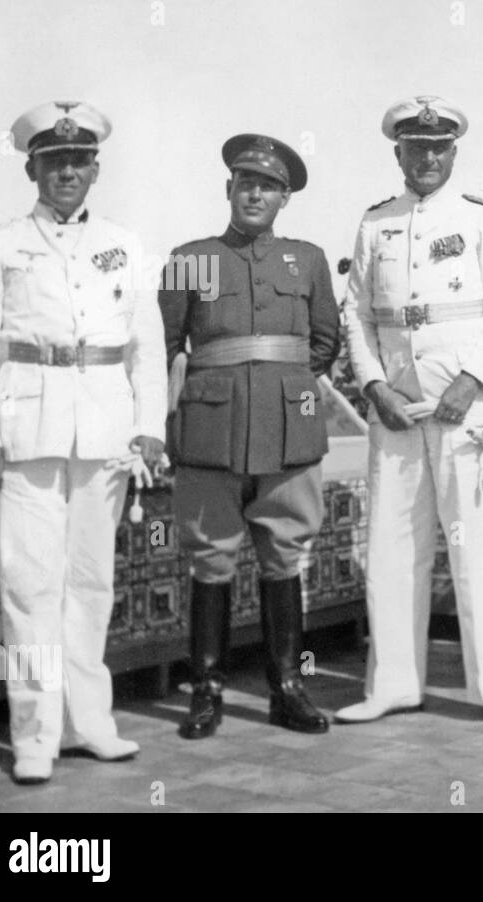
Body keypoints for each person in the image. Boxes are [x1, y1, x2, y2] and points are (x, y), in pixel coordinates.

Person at [0, 101, 166, 784]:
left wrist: (148, 426)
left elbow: (147, 343)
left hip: (103, 432)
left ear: (95, 168)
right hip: (23, 433)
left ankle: (89, 723)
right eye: (54, 161)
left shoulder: (124, 243)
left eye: (78, 161)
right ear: (32, 168)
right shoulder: (1, 243)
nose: (67, 171)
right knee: (28, 586)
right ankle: (35, 733)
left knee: (91, 582)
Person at [337, 96, 483, 730]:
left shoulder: (478, 219)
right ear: (398, 153)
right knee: (393, 548)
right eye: (416, 148)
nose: (427, 158)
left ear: (454, 152)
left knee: (476, 549)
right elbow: (357, 316)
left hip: (463, 409)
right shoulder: (376, 223)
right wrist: (371, 386)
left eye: (439, 148)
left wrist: (473, 381)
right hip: (396, 410)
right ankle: (394, 684)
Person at [159, 134, 338, 739]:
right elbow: (165, 345)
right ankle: (206, 691)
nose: (255, 192)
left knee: (285, 554)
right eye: (245, 182)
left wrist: (282, 389)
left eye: (268, 186)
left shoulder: (307, 259)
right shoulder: (191, 257)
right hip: (210, 430)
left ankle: (287, 687)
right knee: (210, 557)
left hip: (288, 433)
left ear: (285, 198)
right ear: (229, 188)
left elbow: (323, 344)